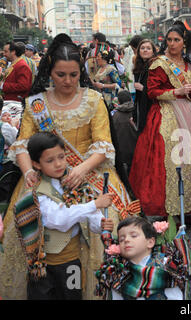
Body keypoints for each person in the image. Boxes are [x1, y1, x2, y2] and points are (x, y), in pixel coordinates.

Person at [0, 34, 139, 300]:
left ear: (81, 72)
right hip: (42, 179)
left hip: (90, 176)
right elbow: (21, 145)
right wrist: (29, 171)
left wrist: (81, 169)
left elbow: (103, 144)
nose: (67, 81)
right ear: (49, 71)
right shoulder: (36, 103)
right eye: (60, 74)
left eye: (73, 75)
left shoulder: (93, 100)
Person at [129, 21, 191, 218]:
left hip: (189, 114)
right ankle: (171, 207)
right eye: (169, 40)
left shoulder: (190, 65)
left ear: (184, 42)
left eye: (176, 40)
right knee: (172, 161)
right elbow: (152, 91)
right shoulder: (159, 63)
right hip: (166, 114)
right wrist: (177, 91)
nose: (172, 43)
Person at [19, 132, 115, 299]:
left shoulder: (75, 183)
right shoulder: (38, 191)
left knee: (73, 295)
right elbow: (59, 220)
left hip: (72, 262)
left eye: (61, 157)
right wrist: (94, 204)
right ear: (36, 164)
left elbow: (90, 217)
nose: (58, 164)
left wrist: (100, 224)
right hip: (44, 267)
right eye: (50, 160)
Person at [111, 216, 183, 300]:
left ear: (150, 242)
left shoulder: (163, 265)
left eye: (133, 236)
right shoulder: (120, 273)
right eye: (121, 239)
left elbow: (177, 297)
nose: (126, 240)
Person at [132, 39, 157, 135]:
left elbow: (159, 90)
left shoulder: (155, 67)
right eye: (142, 48)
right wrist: (134, 114)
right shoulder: (138, 67)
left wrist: (143, 88)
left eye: (148, 48)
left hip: (152, 108)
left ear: (153, 51)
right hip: (140, 108)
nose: (145, 50)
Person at [111, 90, 138, 176]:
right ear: (131, 99)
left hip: (122, 156)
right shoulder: (138, 112)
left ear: (119, 101)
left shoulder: (114, 116)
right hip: (138, 153)